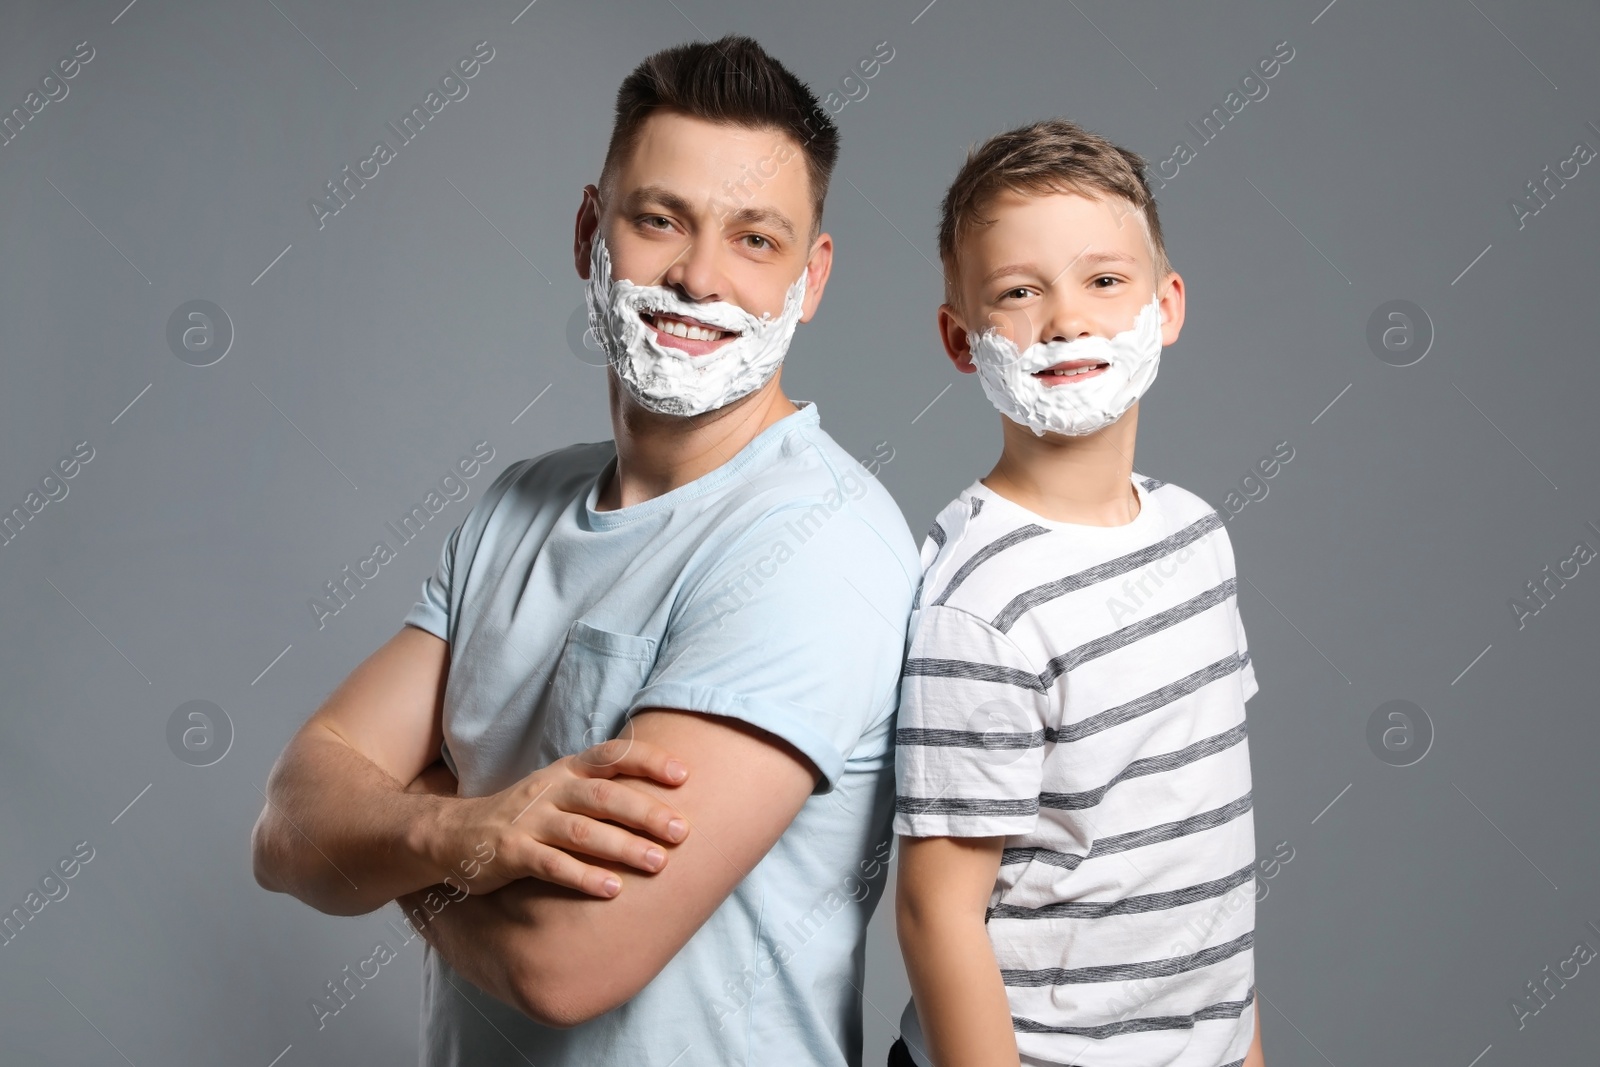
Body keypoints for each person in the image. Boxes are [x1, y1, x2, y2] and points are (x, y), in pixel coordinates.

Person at [251, 35, 919, 1067]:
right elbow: (288, 821)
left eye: (755, 240)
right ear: (588, 232)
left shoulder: (815, 545)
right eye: (661, 220)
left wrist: (396, 827)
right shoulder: (519, 506)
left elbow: (564, 963)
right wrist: (460, 836)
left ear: (811, 276)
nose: (699, 277)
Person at [888, 118, 1267, 1067]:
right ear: (960, 338)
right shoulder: (979, 598)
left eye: (1105, 280)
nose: (1067, 321)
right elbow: (938, 911)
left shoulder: (1197, 537)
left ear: (1166, 305)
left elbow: (1207, 858)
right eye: (1019, 293)